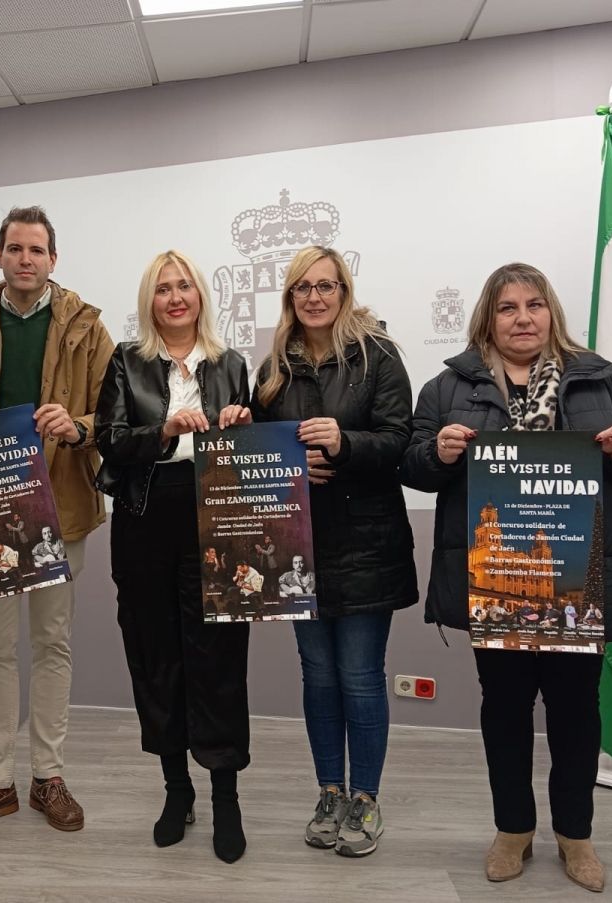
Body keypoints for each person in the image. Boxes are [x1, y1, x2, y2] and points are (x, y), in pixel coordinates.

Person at [400, 262, 612, 892]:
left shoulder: (602, 379)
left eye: (534, 305)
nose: (523, 318)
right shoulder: (447, 389)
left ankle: (576, 835)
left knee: (577, 711)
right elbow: (412, 462)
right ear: (488, 318)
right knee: (507, 709)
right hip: (497, 578)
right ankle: (513, 829)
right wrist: (436, 452)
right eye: (507, 308)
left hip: (579, 578)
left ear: (552, 313)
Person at [0, 206, 113, 836]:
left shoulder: (89, 331)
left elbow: (111, 419)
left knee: (52, 645)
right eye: (14, 248)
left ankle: (48, 776)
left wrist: (80, 426)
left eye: (36, 250)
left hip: (61, 511)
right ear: (0, 256)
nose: (25, 259)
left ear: (53, 259)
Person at [250, 245, 417, 858]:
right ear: (290, 298)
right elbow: (259, 453)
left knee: (359, 677)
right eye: (303, 288)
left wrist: (344, 443)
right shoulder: (272, 370)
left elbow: (402, 442)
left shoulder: (378, 356)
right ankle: (329, 791)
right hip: (297, 549)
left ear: (344, 292)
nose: (315, 297)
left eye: (327, 286)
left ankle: (366, 799)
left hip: (367, 542)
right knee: (318, 677)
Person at [95, 249, 252, 863]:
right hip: (145, 516)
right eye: (163, 288)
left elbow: (254, 450)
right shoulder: (126, 362)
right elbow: (108, 440)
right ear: (150, 301)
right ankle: (176, 789)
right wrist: (162, 431)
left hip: (216, 516)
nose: (175, 296)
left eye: (184, 285)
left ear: (201, 296)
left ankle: (225, 796)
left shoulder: (232, 363)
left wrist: (239, 420)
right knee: (155, 656)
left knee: (217, 659)